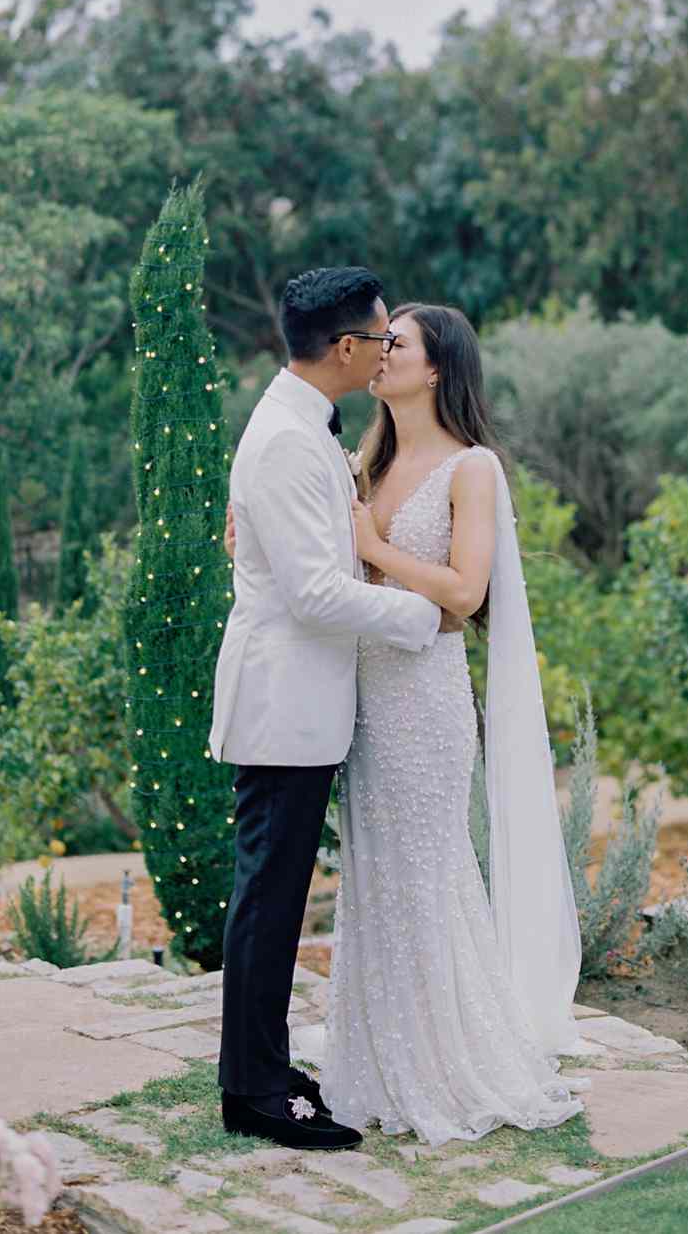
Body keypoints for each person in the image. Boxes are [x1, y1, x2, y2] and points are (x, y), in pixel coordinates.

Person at [300, 302, 583, 1145]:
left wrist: (373, 548)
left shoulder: (473, 470)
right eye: (381, 344)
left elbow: (465, 595)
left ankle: (447, 1060)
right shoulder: (365, 458)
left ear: (436, 369)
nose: (380, 356)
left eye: (398, 346)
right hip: (360, 697)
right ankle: (378, 1055)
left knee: (427, 874)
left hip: (424, 700)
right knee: (375, 878)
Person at [209, 268, 460, 1151]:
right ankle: (253, 1095)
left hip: (304, 700)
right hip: (284, 702)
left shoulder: (304, 428)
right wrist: (417, 613)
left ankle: (264, 1068)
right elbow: (315, 592)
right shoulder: (283, 439)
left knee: (275, 897)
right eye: (383, 337)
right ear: (346, 348)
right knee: (268, 901)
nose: (389, 348)